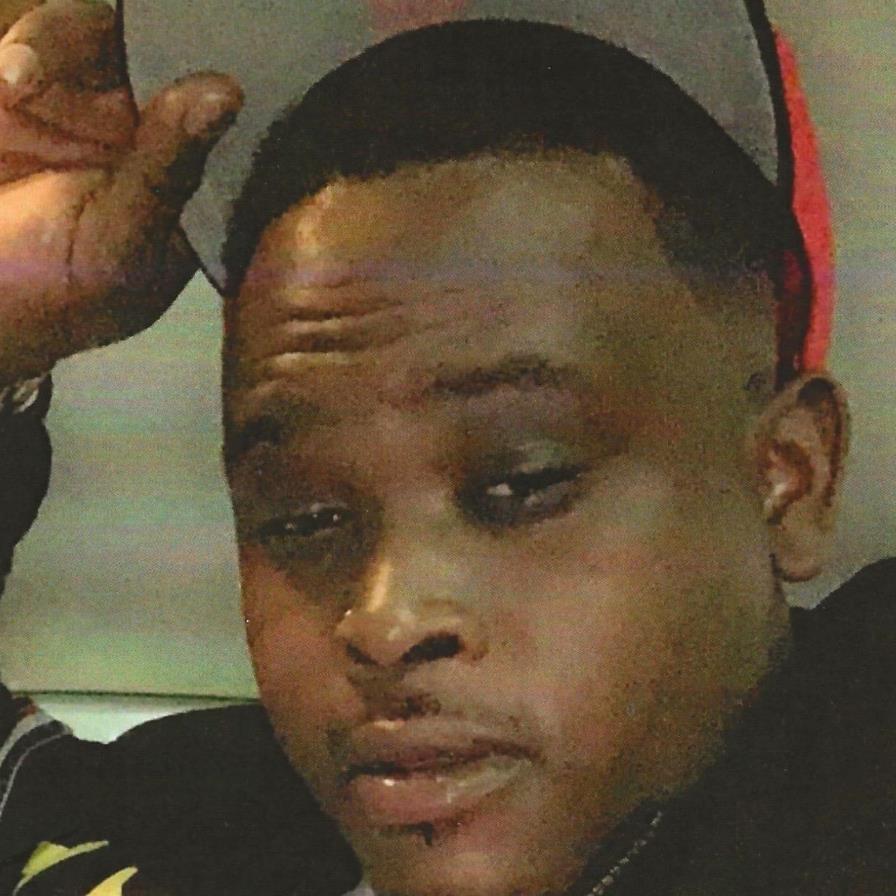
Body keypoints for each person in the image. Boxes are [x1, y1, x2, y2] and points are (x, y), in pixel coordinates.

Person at [0, 2, 892, 895]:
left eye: (522, 483)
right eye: (304, 518)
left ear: (787, 475)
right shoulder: (201, 830)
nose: (385, 624)